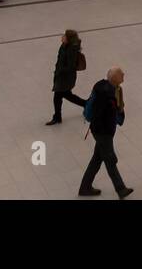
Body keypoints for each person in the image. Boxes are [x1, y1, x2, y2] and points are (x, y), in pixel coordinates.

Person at [78, 67, 133, 198]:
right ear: (115, 78)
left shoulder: (105, 87)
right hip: (103, 132)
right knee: (110, 160)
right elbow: (106, 115)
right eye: (121, 74)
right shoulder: (108, 94)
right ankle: (121, 189)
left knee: (97, 159)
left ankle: (85, 188)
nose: (124, 74)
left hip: (100, 130)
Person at [47, 29, 86, 124]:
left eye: (64, 35)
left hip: (65, 78)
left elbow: (70, 67)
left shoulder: (71, 50)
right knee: (66, 95)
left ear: (68, 38)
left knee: (58, 96)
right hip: (61, 76)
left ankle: (57, 117)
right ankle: (86, 104)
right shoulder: (64, 46)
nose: (62, 36)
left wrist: (60, 70)